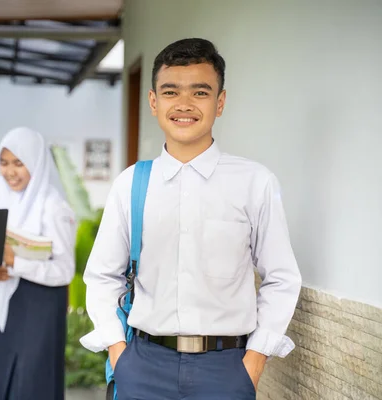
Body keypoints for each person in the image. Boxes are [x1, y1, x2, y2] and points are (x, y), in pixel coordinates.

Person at [81, 38, 302, 400]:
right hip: (143, 367)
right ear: (153, 102)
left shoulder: (254, 183)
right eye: (171, 92)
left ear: (220, 102)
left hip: (227, 370)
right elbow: (103, 276)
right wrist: (119, 355)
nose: (184, 104)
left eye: (200, 92)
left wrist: (255, 360)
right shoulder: (132, 184)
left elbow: (281, 277)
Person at [0, 127, 76, 400]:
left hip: (41, 307)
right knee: (1, 383)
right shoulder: (3, 200)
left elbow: (64, 270)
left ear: (35, 162)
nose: (10, 172)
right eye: (4, 162)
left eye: (19, 163)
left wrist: (16, 262)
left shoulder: (54, 207)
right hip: (8, 305)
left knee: (32, 383)